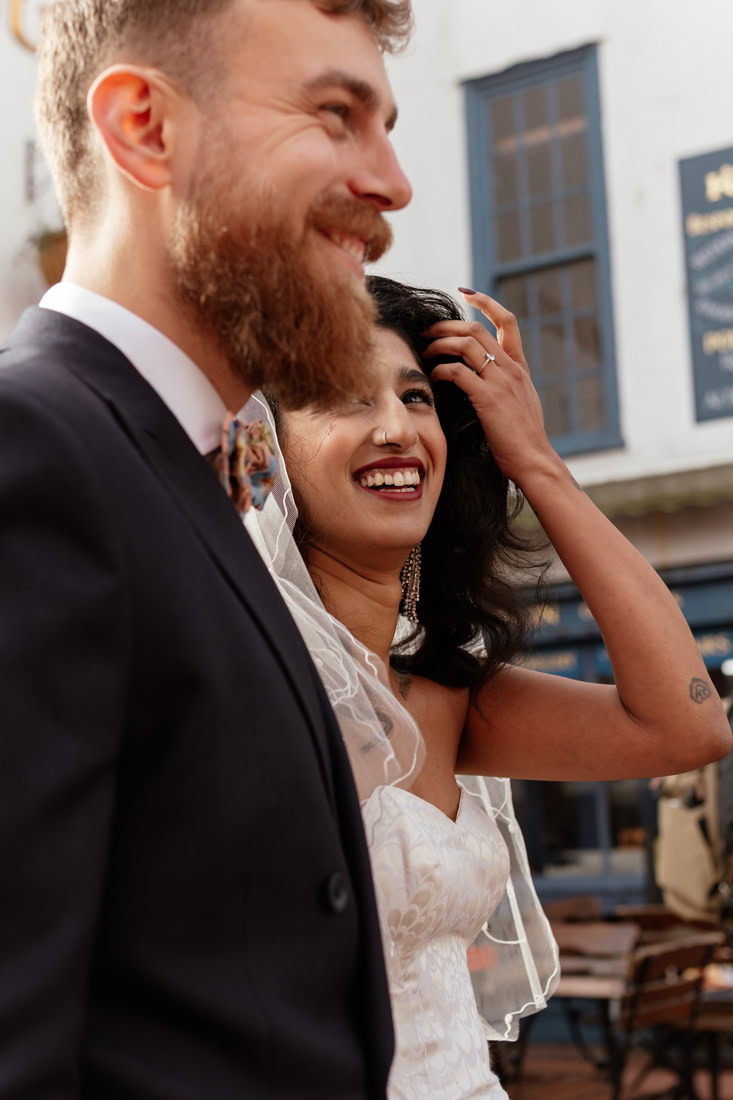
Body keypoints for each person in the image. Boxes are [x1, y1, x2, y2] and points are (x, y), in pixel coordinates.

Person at [0, 2, 418, 1097]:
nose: (391, 184)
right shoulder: (32, 452)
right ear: (144, 126)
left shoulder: (176, 465)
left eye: (385, 124)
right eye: (336, 115)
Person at [264, 275, 733, 1099]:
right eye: (342, 397)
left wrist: (538, 464)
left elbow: (686, 726)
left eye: (416, 399)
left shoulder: (449, 699)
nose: (395, 429)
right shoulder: (246, 686)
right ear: (264, 446)